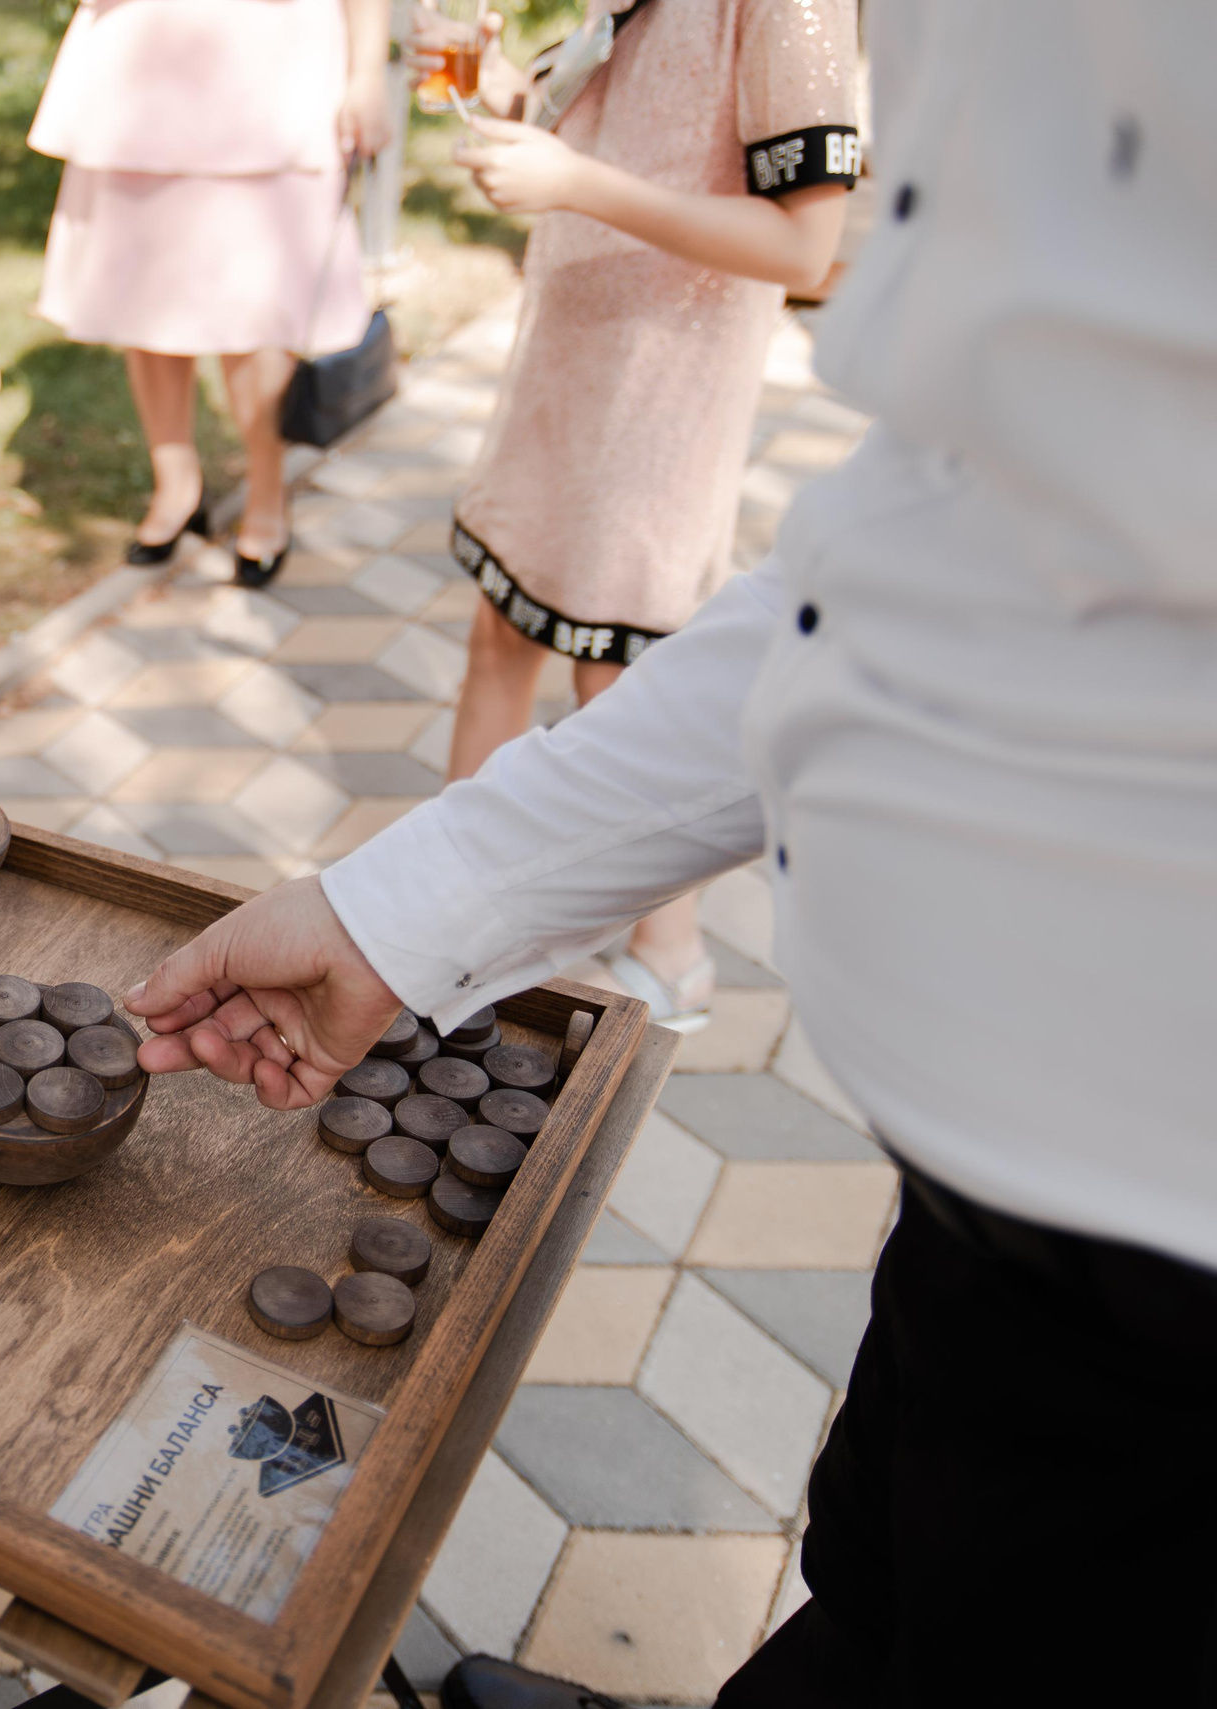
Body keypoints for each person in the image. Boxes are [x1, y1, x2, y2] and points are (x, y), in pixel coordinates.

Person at [122, 1, 1217, 1702]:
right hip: (991, 1212)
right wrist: (395, 910)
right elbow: (934, 515)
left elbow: (832, 258)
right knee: (895, 1567)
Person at [419, 0, 859, 1032]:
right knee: (500, 629)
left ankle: (670, 956)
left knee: (620, 677)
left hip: (661, 386)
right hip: (567, 362)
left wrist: (575, 183)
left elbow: (806, 246)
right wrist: (504, 97)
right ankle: (441, 925)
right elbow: (616, 119)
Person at [26, 0, 391, 586]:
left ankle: (267, 491)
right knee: (143, 296)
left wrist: (367, 74)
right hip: (144, 64)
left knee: (254, 306)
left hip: (271, 71)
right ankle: (175, 485)